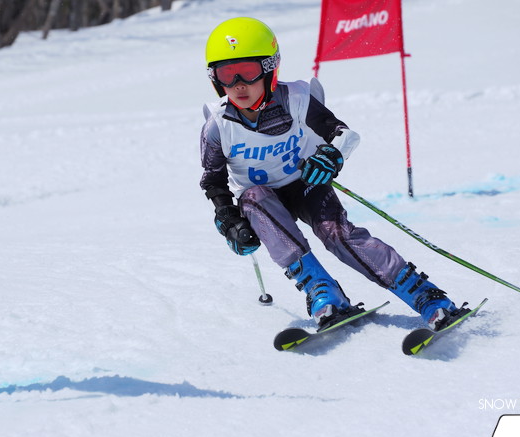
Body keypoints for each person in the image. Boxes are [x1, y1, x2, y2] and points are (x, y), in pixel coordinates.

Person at [199, 17, 467, 331]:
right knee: (255, 200)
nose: (239, 84)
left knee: (338, 235)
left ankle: (425, 296)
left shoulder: (294, 99)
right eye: (227, 74)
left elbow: (345, 135)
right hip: (262, 200)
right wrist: (228, 218)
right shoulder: (218, 125)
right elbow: (213, 179)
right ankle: (322, 292)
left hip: (306, 182)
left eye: (248, 71)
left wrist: (330, 156)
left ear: (270, 69)